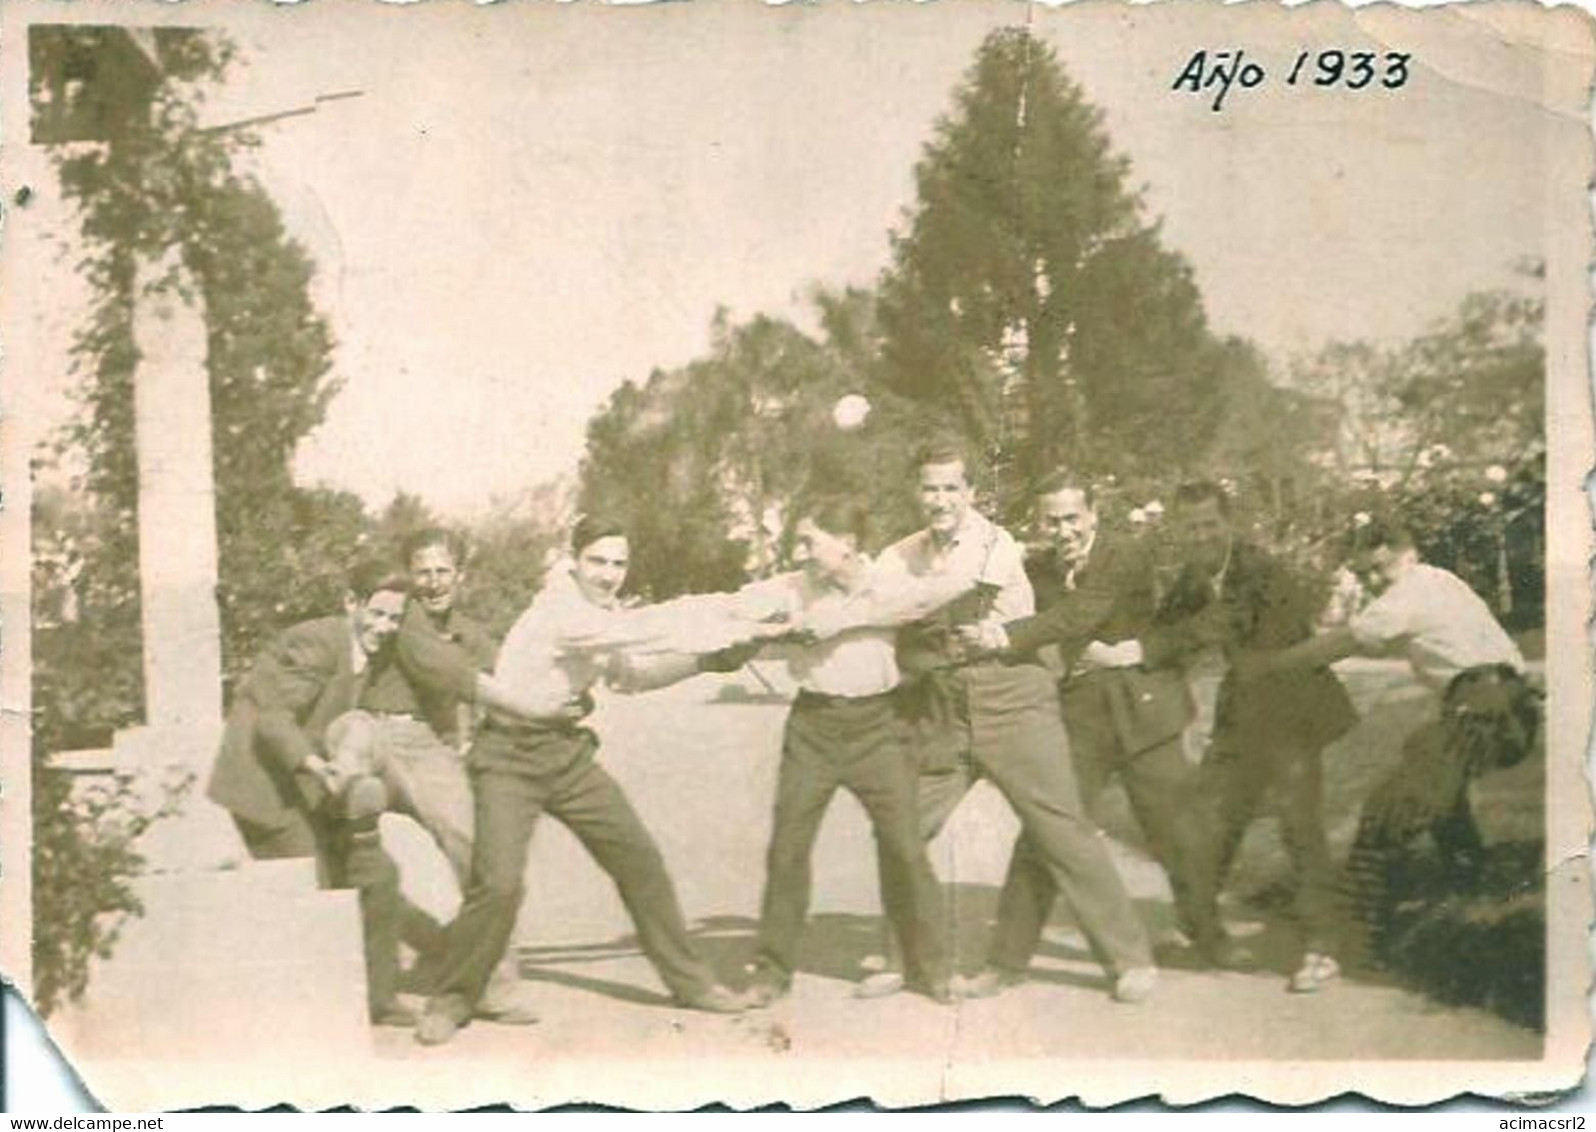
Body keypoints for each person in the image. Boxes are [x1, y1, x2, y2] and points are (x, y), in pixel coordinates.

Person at [415, 517, 784, 1045]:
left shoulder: (598, 615)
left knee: (640, 859)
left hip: (564, 754)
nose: (610, 575)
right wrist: (741, 616)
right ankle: (451, 998)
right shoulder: (560, 610)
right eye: (598, 562)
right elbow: (650, 627)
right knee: (497, 884)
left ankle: (692, 984)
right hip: (507, 757)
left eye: (619, 563)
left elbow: (632, 675)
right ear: (574, 560)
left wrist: (710, 660)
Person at [862, 441, 1157, 1004]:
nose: (940, 499)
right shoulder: (901, 553)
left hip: (1012, 693)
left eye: (952, 488)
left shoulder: (993, 544)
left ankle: (1129, 959)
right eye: (930, 488)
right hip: (946, 702)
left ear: (972, 493)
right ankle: (901, 958)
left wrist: (880, 604)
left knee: (1061, 827)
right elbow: (873, 597)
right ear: (914, 492)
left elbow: (927, 599)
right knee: (901, 824)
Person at [954, 472, 1242, 998]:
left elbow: (1079, 614)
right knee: (1049, 832)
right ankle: (1006, 960)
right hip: (1079, 715)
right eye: (1051, 520)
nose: (1062, 530)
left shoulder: (1122, 555)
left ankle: (1207, 933)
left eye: (1072, 518)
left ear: (1092, 515)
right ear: (1039, 522)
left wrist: (1003, 636)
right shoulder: (1033, 568)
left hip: (1144, 706)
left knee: (1177, 830)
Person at [1240, 515, 1537, 966]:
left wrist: (1271, 665)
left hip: (1485, 705)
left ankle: (1354, 935)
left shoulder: (1408, 593)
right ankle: (1474, 882)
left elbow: (1342, 643)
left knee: (1385, 810)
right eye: (1365, 573)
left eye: (1382, 569)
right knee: (1430, 771)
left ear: (1409, 555)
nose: (1374, 580)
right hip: (1504, 704)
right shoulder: (1443, 580)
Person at [732, 495, 987, 1008]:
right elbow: (736, 605)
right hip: (814, 726)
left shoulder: (889, 581)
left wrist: (850, 615)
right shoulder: (792, 588)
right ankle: (771, 972)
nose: (801, 551)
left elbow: (947, 588)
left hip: (879, 727)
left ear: (847, 544)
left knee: (905, 848)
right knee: (787, 848)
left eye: (809, 540)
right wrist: (760, 627)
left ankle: (933, 968)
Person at [336, 528, 567, 1023]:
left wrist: (566, 694)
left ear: (460, 576)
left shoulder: (465, 630)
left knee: (481, 851)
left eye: (443, 571)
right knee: (342, 825)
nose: (433, 581)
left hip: (426, 747)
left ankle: (492, 984)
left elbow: (509, 673)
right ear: (408, 577)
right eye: (422, 571)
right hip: (375, 731)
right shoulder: (405, 617)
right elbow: (454, 675)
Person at [1139, 481, 1359, 994]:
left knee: (1298, 824)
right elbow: (1165, 632)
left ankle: (1323, 947)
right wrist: (1143, 652)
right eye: (1191, 528)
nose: (1201, 536)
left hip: (1293, 710)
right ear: (1179, 530)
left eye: (1210, 525)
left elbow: (1225, 629)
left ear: (1229, 523)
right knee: (1207, 819)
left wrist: (1154, 650)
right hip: (1245, 711)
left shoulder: (1261, 571)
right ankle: (1200, 926)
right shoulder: (1194, 578)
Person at [206, 560, 412, 1024]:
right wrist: (320, 768)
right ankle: (312, 1014)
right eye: (377, 614)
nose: (385, 627)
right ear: (351, 603)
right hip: (268, 789)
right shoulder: (319, 642)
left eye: (395, 619)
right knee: (311, 889)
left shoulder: (372, 658)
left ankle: (378, 1000)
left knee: (379, 876)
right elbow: (273, 721)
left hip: (315, 788)